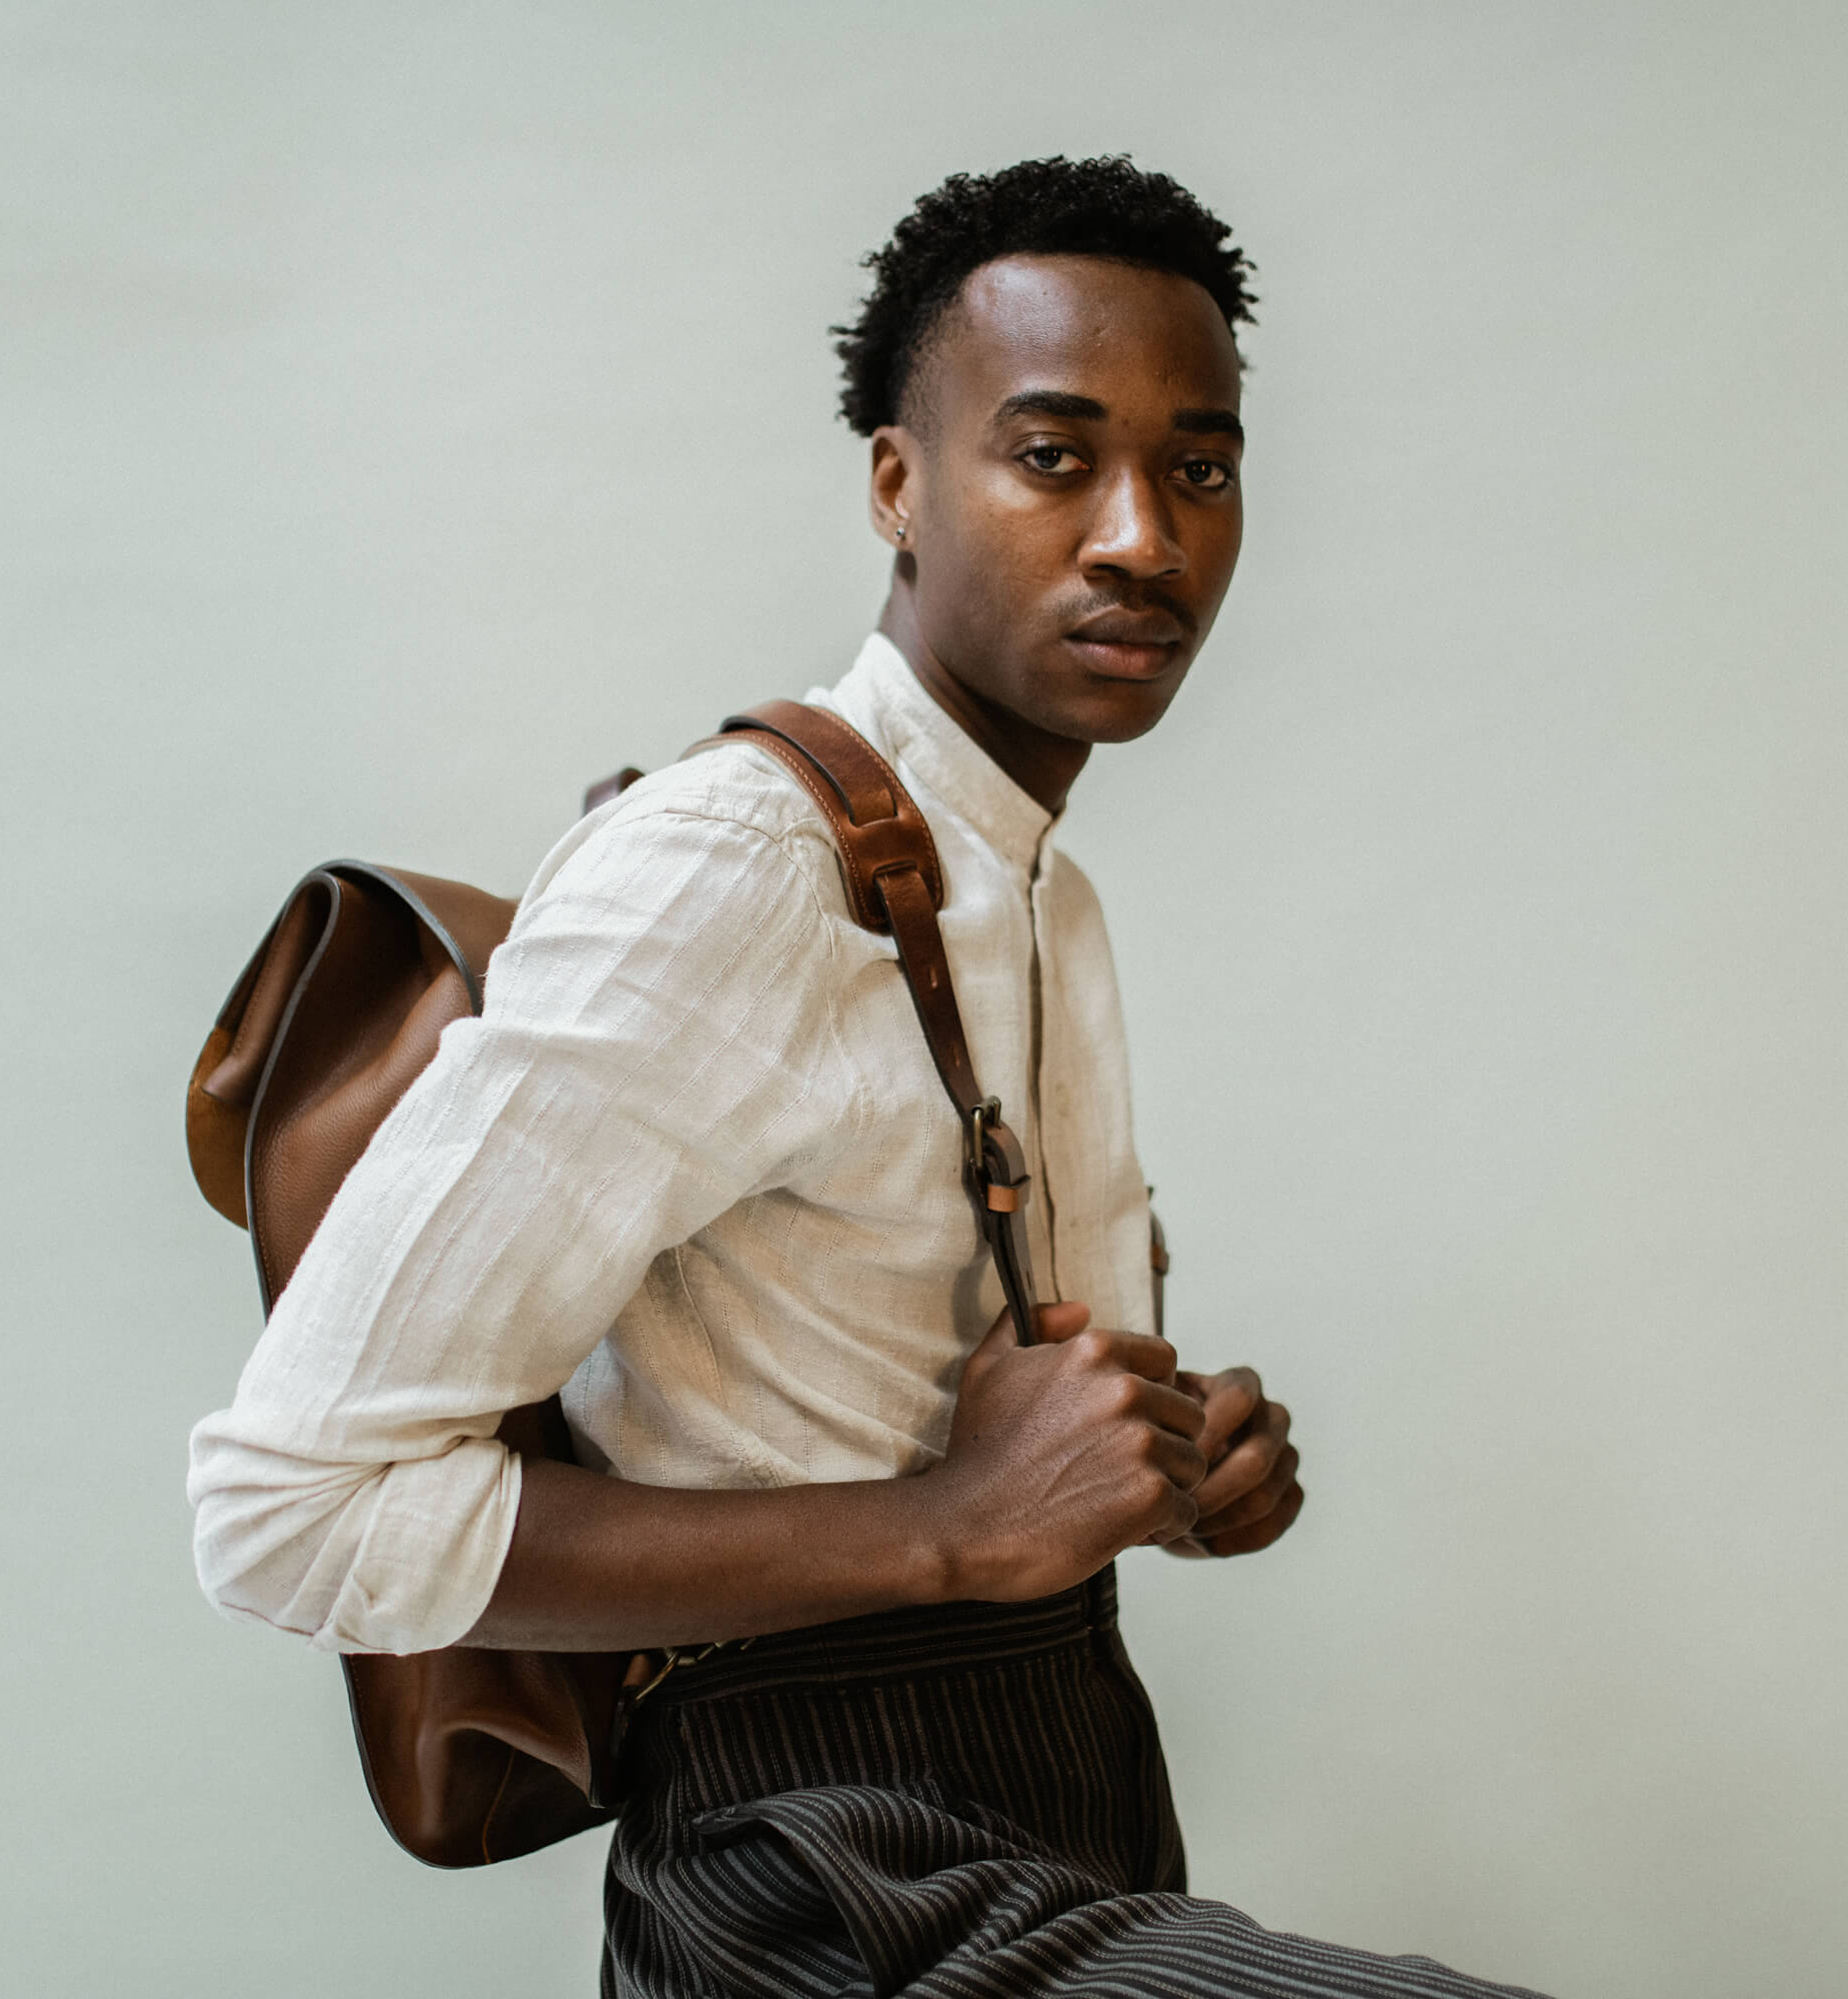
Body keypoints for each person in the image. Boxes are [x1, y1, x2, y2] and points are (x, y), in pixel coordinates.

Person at [190, 155, 1549, 1999]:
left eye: (1200, 467)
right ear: (899, 485)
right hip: (816, 1899)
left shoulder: (1035, 894)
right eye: (1055, 455)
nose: (1144, 535)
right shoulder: (732, 868)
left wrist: (1171, 1467)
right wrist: (948, 1531)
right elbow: (292, 1506)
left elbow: (908, 1392)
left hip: (1057, 1820)